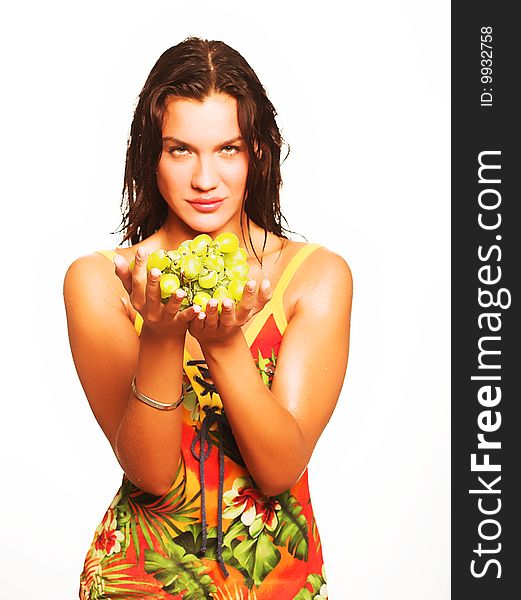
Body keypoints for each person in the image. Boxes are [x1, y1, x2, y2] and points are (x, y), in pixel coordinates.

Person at [64, 36, 352, 599]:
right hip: (140, 579)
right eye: (180, 150)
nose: (204, 179)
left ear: (258, 154)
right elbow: (151, 476)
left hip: (278, 582)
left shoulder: (313, 276)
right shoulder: (103, 281)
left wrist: (223, 346)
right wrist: (163, 336)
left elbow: (279, 470)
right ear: (150, 154)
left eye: (228, 149)